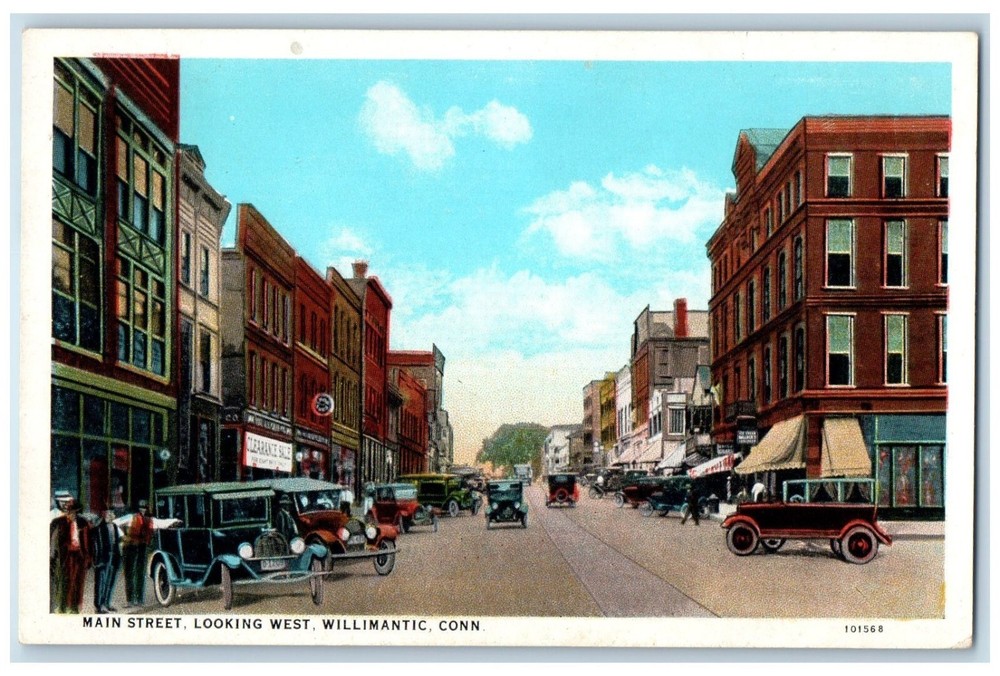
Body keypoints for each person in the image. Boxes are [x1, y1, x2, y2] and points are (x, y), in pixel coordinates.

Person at [50, 498, 91, 613]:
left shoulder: (83, 523)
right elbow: (54, 540)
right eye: (68, 511)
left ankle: (76, 606)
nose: (71, 514)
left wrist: (89, 557)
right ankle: (66, 606)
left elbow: (90, 541)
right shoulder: (59, 522)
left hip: (81, 556)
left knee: (79, 581)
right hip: (67, 556)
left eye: (73, 511)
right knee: (68, 581)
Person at [121, 500, 154, 608]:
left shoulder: (146, 519)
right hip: (133, 547)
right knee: (131, 574)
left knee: (137, 573)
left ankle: (137, 600)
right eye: (141, 508)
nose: (142, 510)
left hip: (139, 547)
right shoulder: (136, 518)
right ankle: (132, 600)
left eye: (144, 508)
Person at [90, 509, 121, 613]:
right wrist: (97, 559)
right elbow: (96, 545)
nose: (109, 515)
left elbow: (117, 542)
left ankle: (107, 603)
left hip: (113, 556)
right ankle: (99, 606)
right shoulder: (99, 528)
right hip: (103, 557)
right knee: (101, 582)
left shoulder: (115, 526)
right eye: (107, 513)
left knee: (110, 581)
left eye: (111, 513)